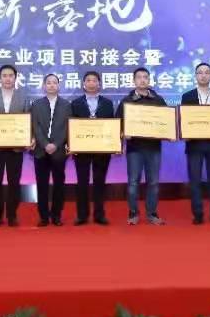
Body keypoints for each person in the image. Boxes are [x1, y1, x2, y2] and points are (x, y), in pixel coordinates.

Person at [115, 67, 167, 226]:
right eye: (139, 77)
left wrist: (169, 133)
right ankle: (133, 213)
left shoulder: (158, 100)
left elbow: (166, 122)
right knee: (133, 182)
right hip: (134, 149)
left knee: (153, 183)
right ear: (134, 80)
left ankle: (152, 214)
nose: (142, 80)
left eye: (145, 77)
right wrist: (123, 133)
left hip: (154, 148)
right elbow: (118, 124)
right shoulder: (126, 101)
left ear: (149, 80)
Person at [0, 64, 31, 227]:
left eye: (11, 75)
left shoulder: (23, 97)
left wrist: (28, 138)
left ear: (15, 78)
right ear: (0, 78)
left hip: (15, 148)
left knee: (14, 182)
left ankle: (12, 215)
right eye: (4, 75)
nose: (8, 78)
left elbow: (28, 120)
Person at [181, 63, 210, 225]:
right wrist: (184, 132)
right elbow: (184, 119)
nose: (203, 75)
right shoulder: (187, 96)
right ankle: (198, 214)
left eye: (206, 72)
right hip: (194, 144)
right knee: (195, 181)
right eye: (200, 72)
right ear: (196, 76)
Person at [70, 71, 114, 225]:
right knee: (82, 182)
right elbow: (72, 126)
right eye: (88, 80)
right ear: (83, 84)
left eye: (94, 80)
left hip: (102, 149)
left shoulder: (107, 103)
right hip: (82, 148)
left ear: (99, 84)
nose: (91, 83)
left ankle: (99, 214)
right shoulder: (75, 103)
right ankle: (82, 215)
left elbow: (112, 126)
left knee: (99, 182)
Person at [31, 74, 72, 227]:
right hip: (41, 151)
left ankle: (56, 215)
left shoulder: (66, 105)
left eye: (54, 82)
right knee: (41, 185)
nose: (51, 85)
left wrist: (56, 144)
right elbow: (35, 126)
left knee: (59, 184)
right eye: (48, 83)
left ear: (58, 86)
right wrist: (44, 144)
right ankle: (43, 216)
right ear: (44, 86)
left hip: (59, 151)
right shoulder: (36, 105)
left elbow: (67, 127)